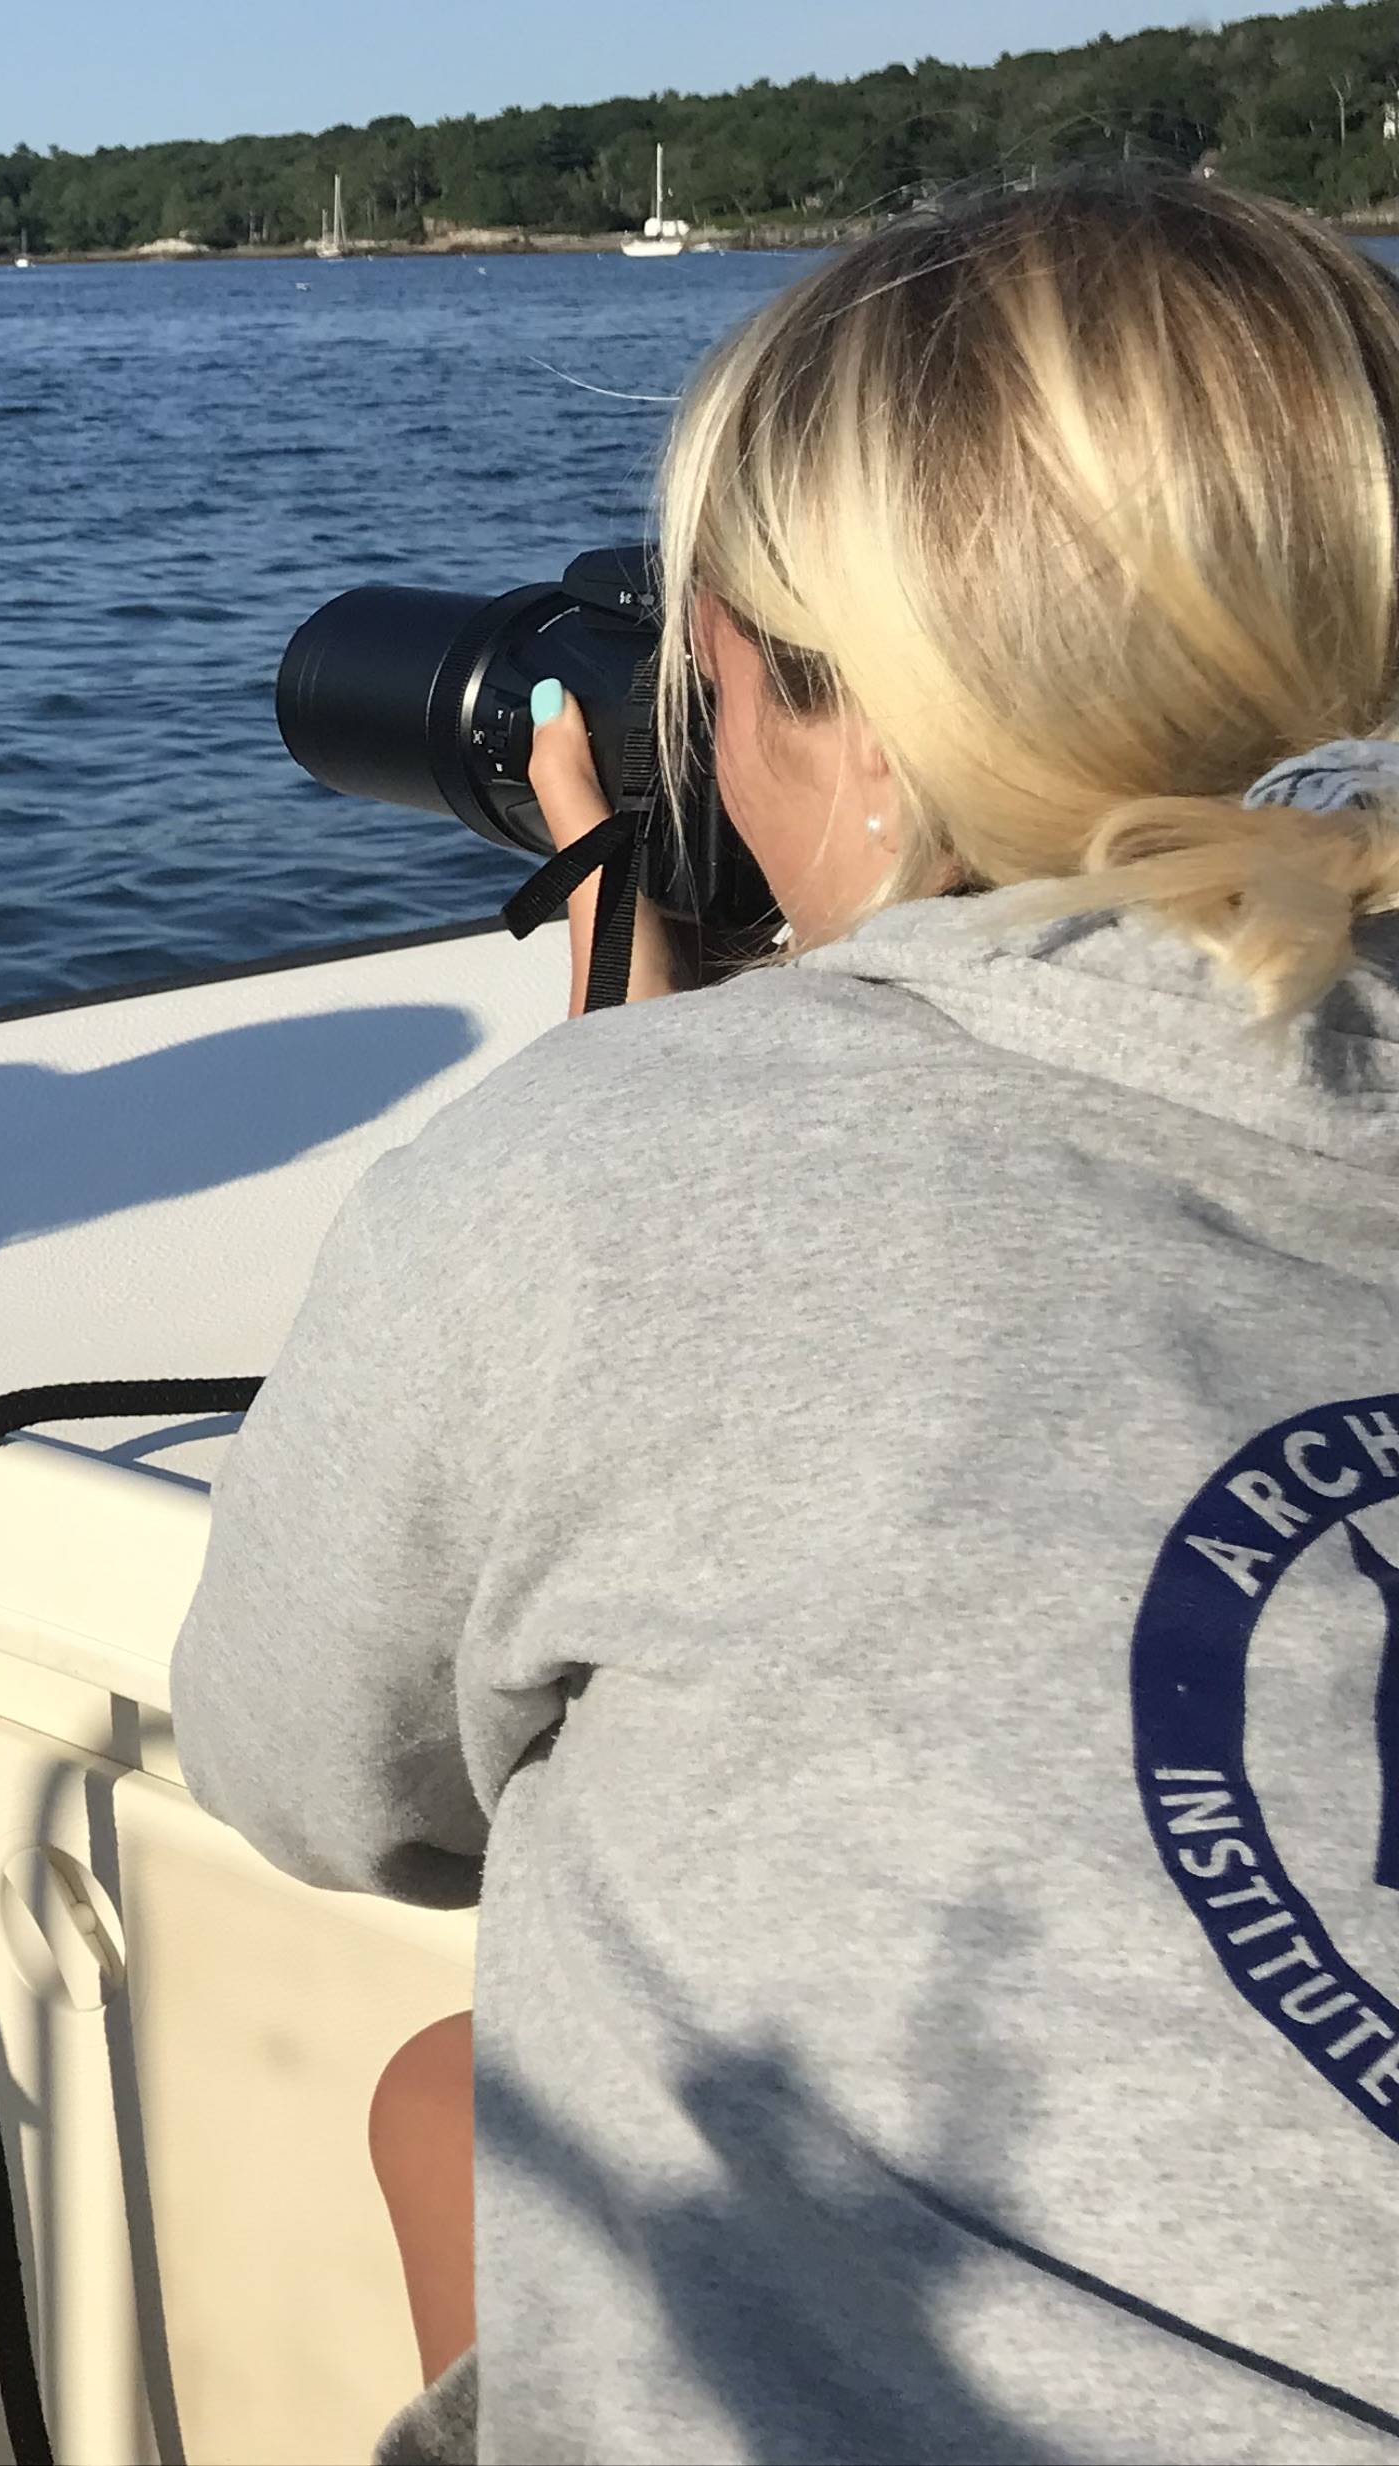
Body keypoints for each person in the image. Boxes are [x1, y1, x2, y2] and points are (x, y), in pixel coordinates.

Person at [175, 171, 1399, 2458]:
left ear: (847, 716)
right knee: (457, 2103)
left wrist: (643, 1082)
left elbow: (309, 1780)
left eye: (708, 665)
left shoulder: (601, 1185)